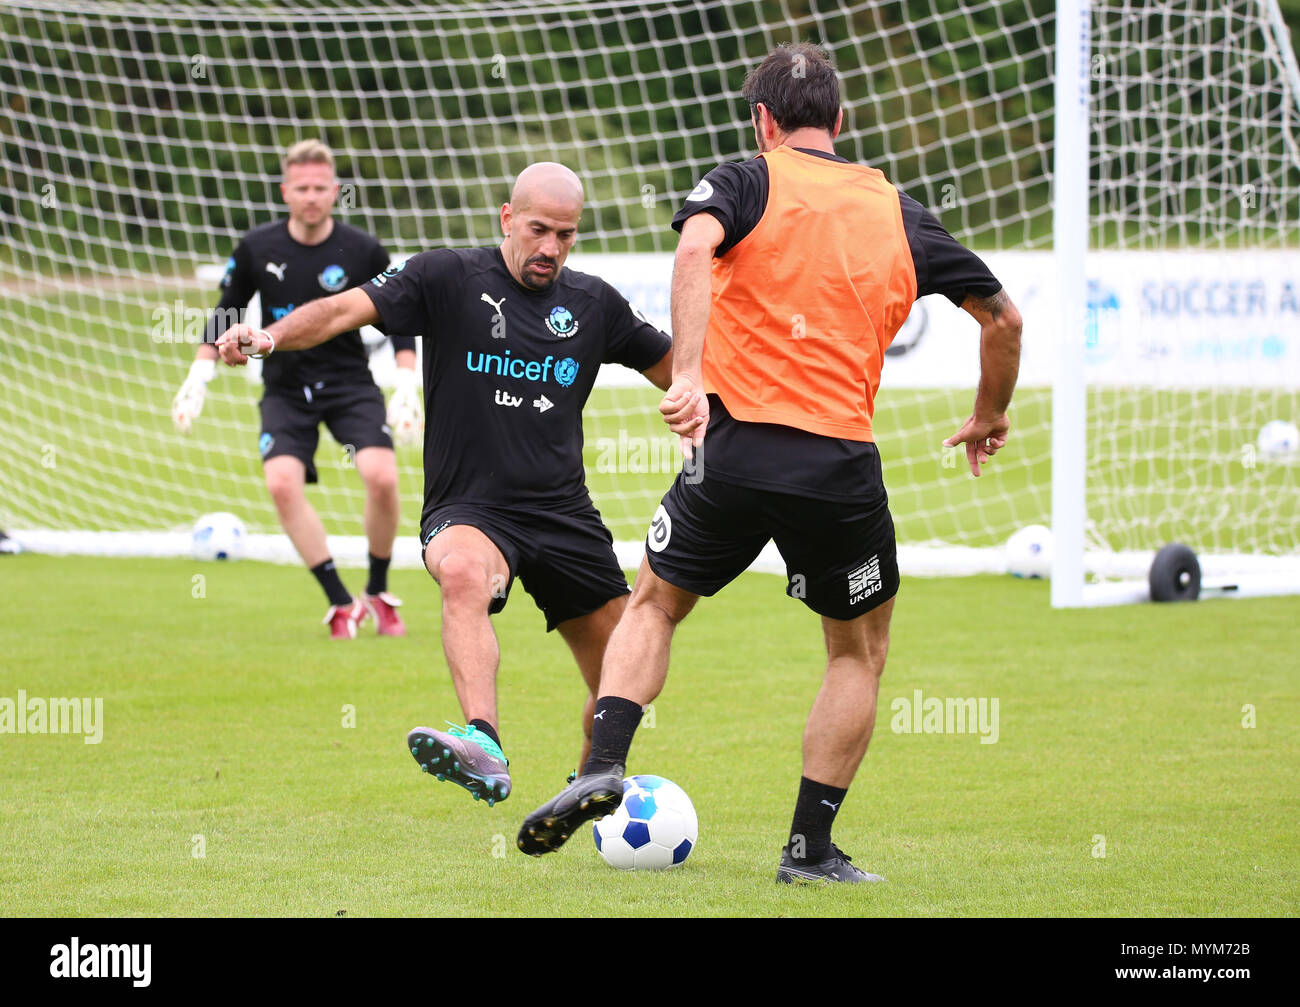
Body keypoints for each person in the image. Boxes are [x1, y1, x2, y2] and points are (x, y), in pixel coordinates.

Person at [518, 43, 1023, 882]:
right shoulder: (898, 209)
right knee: (855, 653)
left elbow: (691, 252)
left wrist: (687, 375)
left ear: (763, 121)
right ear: (841, 120)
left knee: (652, 602)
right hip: (837, 465)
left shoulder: (746, 178)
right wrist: (988, 414)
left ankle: (604, 759)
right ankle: (809, 848)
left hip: (732, 450)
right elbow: (1002, 320)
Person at [217, 161, 673, 804]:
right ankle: (482, 742)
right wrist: (268, 336)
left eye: (566, 236)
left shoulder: (595, 303)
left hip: (565, 513)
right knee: (462, 572)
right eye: (539, 229)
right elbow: (342, 309)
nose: (550, 248)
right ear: (507, 218)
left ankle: (593, 780)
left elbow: (674, 368)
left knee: (623, 677)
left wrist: (706, 393)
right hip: (471, 507)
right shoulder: (446, 275)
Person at [173, 139, 422, 640]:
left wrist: (407, 384)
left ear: (335, 191)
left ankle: (377, 591)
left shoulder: (363, 249)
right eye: (302, 188)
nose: (312, 196)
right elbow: (227, 308)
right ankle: (338, 601)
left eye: (321, 188)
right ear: (287, 191)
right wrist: (197, 376)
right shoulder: (257, 247)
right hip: (285, 388)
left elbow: (400, 314)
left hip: (350, 383)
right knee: (282, 483)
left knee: (381, 476)